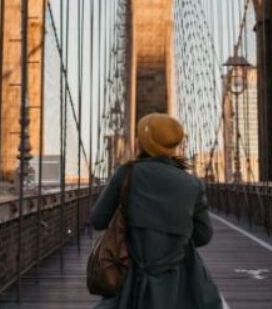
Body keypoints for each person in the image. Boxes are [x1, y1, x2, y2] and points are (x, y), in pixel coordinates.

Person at [90, 113, 223, 309]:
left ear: (144, 143)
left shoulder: (126, 173)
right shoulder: (193, 184)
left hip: (132, 279)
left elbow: (97, 221)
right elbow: (203, 235)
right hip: (181, 282)